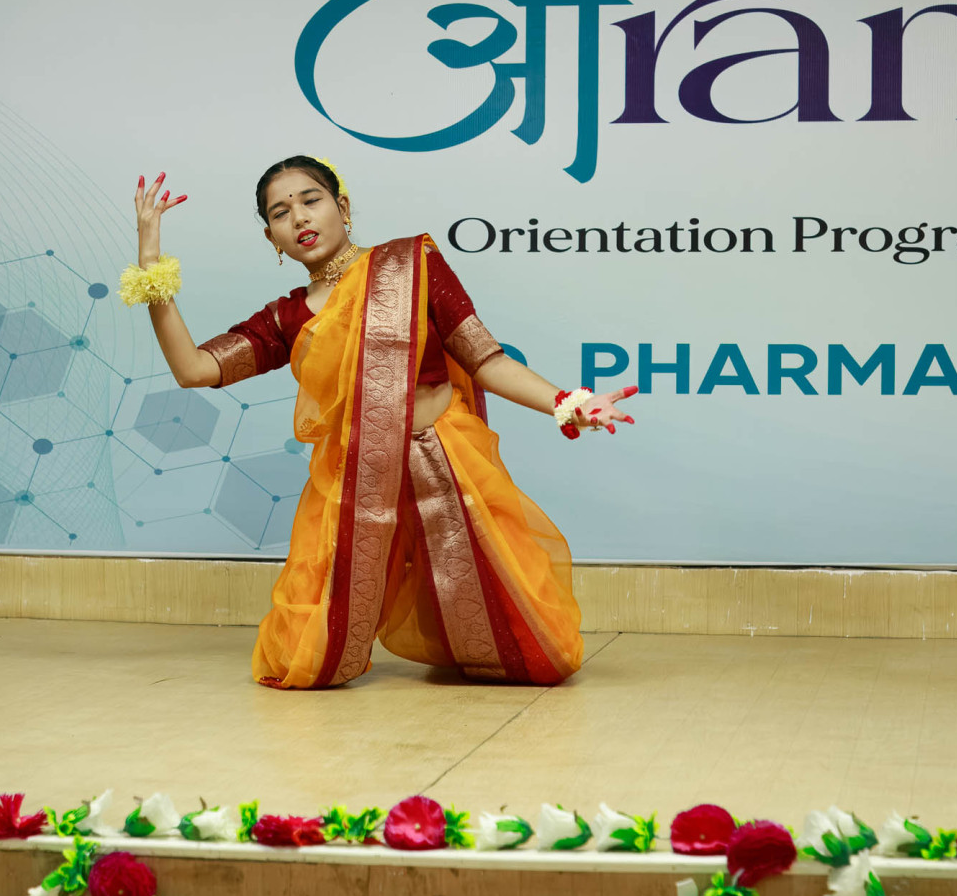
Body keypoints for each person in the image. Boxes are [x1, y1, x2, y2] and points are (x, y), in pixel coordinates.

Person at [123, 157, 636, 690]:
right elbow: (193, 369)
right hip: (358, 478)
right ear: (272, 238)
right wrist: (150, 264)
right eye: (280, 213)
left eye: (311, 200)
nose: (299, 217)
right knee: (304, 666)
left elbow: (486, 360)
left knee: (537, 655)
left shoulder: (411, 267)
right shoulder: (287, 317)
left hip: (447, 460)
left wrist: (569, 403)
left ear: (342, 206)